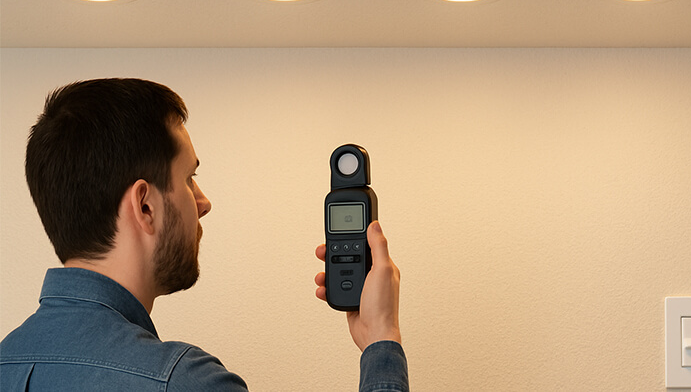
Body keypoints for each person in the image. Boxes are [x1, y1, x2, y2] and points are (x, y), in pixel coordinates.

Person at [0, 78, 408, 391]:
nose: (203, 201)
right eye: (190, 178)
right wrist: (382, 339)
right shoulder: (183, 382)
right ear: (145, 206)